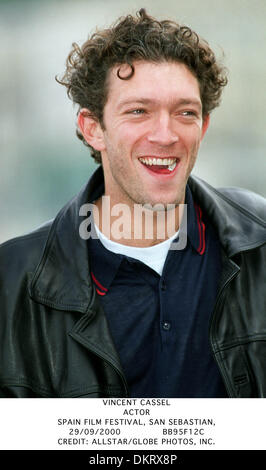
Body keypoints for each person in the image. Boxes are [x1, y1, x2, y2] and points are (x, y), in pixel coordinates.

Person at [0, 9, 265, 398]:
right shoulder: (12, 281)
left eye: (185, 112)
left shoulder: (260, 243)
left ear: (203, 127)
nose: (165, 134)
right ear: (93, 129)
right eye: (138, 111)